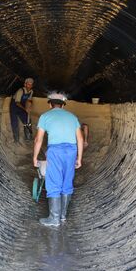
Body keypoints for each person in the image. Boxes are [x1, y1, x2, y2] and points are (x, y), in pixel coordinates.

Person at [33, 92, 84, 227]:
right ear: (62, 106)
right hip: (71, 150)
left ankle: (54, 219)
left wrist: (35, 157)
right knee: (67, 181)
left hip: (55, 151)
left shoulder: (45, 116)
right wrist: (79, 158)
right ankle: (62, 216)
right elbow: (80, 138)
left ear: (50, 104)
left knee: (54, 181)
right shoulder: (72, 117)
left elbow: (39, 140)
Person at [10, 78, 34, 143]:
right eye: (28, 84)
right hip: (14, 106)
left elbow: (29, 100)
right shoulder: (20, 91)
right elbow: (17, 102)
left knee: (27, 121)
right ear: (25, 84)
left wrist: (29, 107)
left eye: (31, 85)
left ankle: (28, 137)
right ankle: (16, 140)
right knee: (14, 123)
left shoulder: (31, 92)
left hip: (22, 106)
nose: (29, 86)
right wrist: (25, 109)